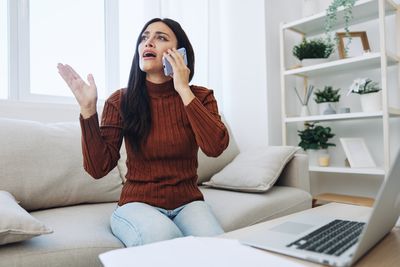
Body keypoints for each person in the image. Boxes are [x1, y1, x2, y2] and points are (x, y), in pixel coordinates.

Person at [57, 18, 229, 247]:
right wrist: (88, 110)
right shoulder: (121, 101)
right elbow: (98, 169)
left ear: (180, 53)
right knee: (166, 241)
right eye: (144, 37)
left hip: (189, 203)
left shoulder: (201, 97)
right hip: (137, 205)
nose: (148, 43)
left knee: (219, 248)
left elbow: (215, 147)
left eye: (160, 37)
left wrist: (183, 90)